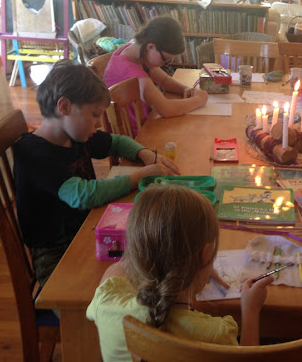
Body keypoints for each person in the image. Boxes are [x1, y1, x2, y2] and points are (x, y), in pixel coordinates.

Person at [86, 185, 273, 362]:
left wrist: (191, 265)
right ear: (205, 255)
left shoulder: (106, 303)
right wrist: (250, 312)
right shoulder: (215, 335)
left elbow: (117, 270)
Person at [13, 60, 179, 287]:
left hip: (88, 228)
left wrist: (145, 154)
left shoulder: (73, 133)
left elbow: (116, 142)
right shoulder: (33, 152)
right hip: (56, 255)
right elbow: (83, 195)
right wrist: (139, 176)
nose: (99, 123)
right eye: (94, 114)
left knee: (156, 253)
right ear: (64, 107)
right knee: (139, 279)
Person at [103, 16, 208, 130]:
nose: (164, 65)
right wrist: (199, 100)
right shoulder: (132, 71)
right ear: (151, 47)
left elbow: (164, 81)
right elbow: (167, 109)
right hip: (138, 131)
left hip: (144, 120)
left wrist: (186, 89)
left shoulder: (136, 51)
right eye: (165, 60)